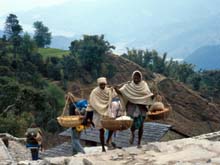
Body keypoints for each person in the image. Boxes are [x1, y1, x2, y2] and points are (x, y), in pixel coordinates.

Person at [114, 70, 153, 148]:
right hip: (131, 107)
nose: (136, 78)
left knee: (141, 126)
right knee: (132, 124)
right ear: (132, 77)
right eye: (135, 77)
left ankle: (139, 142)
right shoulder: (128, 85)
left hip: (141, 107)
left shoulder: (144, 85)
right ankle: (132, 133)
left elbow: (148, 95)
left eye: (138, 77)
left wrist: (153, 96)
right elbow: (121, 92)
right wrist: (116, 89)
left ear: (140, 78)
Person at [84, 77, 117, 152]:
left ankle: (108, 140)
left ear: (106, 84)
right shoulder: (94, 92)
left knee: (112, 127)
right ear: (98, 84)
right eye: (101, 84)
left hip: (107, 111)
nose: (102, 86)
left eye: (104, 84)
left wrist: (114, 89)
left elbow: (115, 94)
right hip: (98, 113)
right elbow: (91, 102)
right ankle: (103, 147)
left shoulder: (108, 90)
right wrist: (87, 116)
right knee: (101, 131)